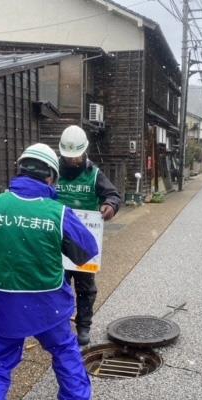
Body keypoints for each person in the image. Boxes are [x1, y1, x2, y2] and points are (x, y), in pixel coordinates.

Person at [0, 143, 99, 400]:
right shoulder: (58, 213)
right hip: (48, 304)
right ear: (51, 178)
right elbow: (87, 251)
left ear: (20, 170)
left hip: (4, 304)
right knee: (64, 348)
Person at [55, 125, 121, 346]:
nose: (73, 161)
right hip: (56, 239)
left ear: (84, 152)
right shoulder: (52, 172)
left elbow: (112, 194)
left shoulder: (94, 174)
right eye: (68, 157)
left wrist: (110, 206)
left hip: (84, 240)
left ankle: (83, 326)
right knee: (58, 285)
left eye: (76, 157)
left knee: (85, 288)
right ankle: (61, 325)